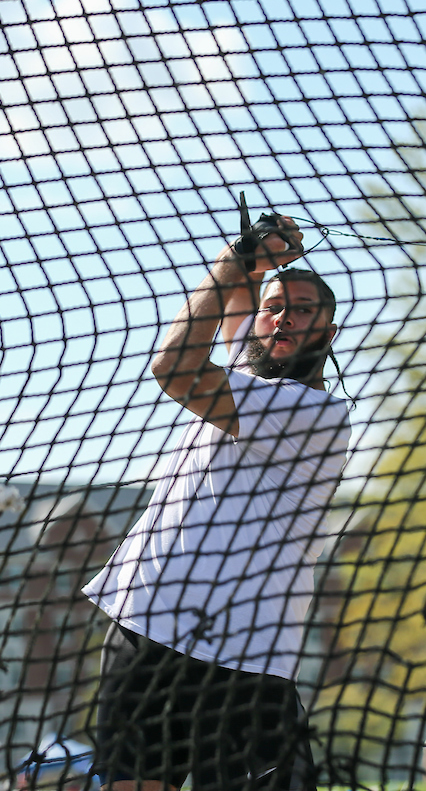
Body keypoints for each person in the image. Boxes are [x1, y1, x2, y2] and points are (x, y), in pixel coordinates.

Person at [81, 215, 353, 791]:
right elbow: (232, 306)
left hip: (244, 655)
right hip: (148, 624)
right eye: (274, 306)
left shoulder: (314, 414)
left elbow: (173, 366)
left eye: (302, 310)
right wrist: (250, 258)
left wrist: (239, 261)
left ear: (328, 334)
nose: (283, 316)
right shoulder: (246, 369)